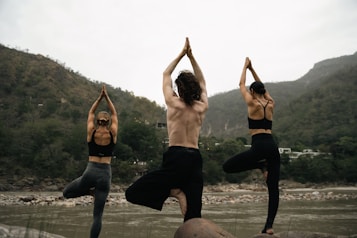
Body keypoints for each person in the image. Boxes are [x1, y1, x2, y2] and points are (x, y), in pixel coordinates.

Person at [125, 37, 208, 222]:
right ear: (194, 87)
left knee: (132, 193)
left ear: (179, 88)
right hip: (195, 158)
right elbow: (202, 80)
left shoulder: (173, 102)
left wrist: (182, 54)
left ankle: (175, 191)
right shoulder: (201, 107)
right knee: (193, 215)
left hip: (176, 156)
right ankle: (179, 195)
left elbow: (166, 73)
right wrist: (192, 57)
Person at [222, 57, 280, 235]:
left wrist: (245, 67)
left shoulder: (252, 102)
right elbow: (262, 87)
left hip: (259, 146)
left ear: (253, 92)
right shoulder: (270, 103)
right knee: (273, 187)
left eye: (250, 90)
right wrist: (253, 69)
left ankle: (259, 164)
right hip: (272, 145)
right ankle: (269, 226)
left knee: (227, 167)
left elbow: (241, 84)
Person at [63, 85, 118, 238]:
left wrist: (100, 97)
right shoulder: (112, 133)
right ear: (107, 122)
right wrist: (107, 97)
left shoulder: (91, 131)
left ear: (98, 121)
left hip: (90, 170)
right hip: (105, 174)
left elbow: (90, 112)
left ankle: (88, 191)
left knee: (67, 193)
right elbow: (114, 112)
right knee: (98, 215)